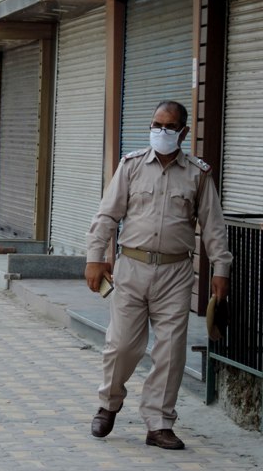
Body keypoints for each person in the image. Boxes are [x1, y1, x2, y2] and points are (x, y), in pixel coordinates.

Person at [85, 100, 231, 450]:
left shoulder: (197, 173)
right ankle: (109, 404)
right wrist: (94, 257)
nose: (160, 132)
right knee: (121, 345)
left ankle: (159, 423)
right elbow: (107, 215)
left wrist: (221, 268)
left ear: (183, 132)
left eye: (168, 127)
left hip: (176, 272)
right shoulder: (132, 165)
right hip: (132, 267)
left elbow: (213, 226)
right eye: (156, 124)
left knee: (170, 351)